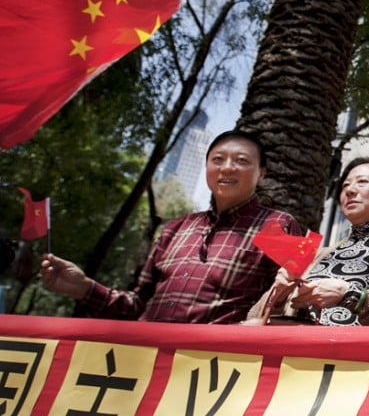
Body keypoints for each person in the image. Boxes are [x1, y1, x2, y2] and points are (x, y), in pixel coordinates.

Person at [39, 130, 304, 323]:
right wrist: (84, 287)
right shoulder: (176, 228)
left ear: (262, 174)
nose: (227, 168)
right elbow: (137, 305)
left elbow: (291, 303)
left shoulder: (280, 225)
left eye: (242, 161)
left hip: (213, 373)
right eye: (218, 159)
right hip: (142, 362)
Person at [253, 155, 369, 325]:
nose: (350, 190)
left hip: (356, 354)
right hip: (300, 353)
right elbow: (253, 316)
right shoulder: (317, 254)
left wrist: (351, 295)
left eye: (362, 182)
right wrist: (279, 293)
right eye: (345, 185)